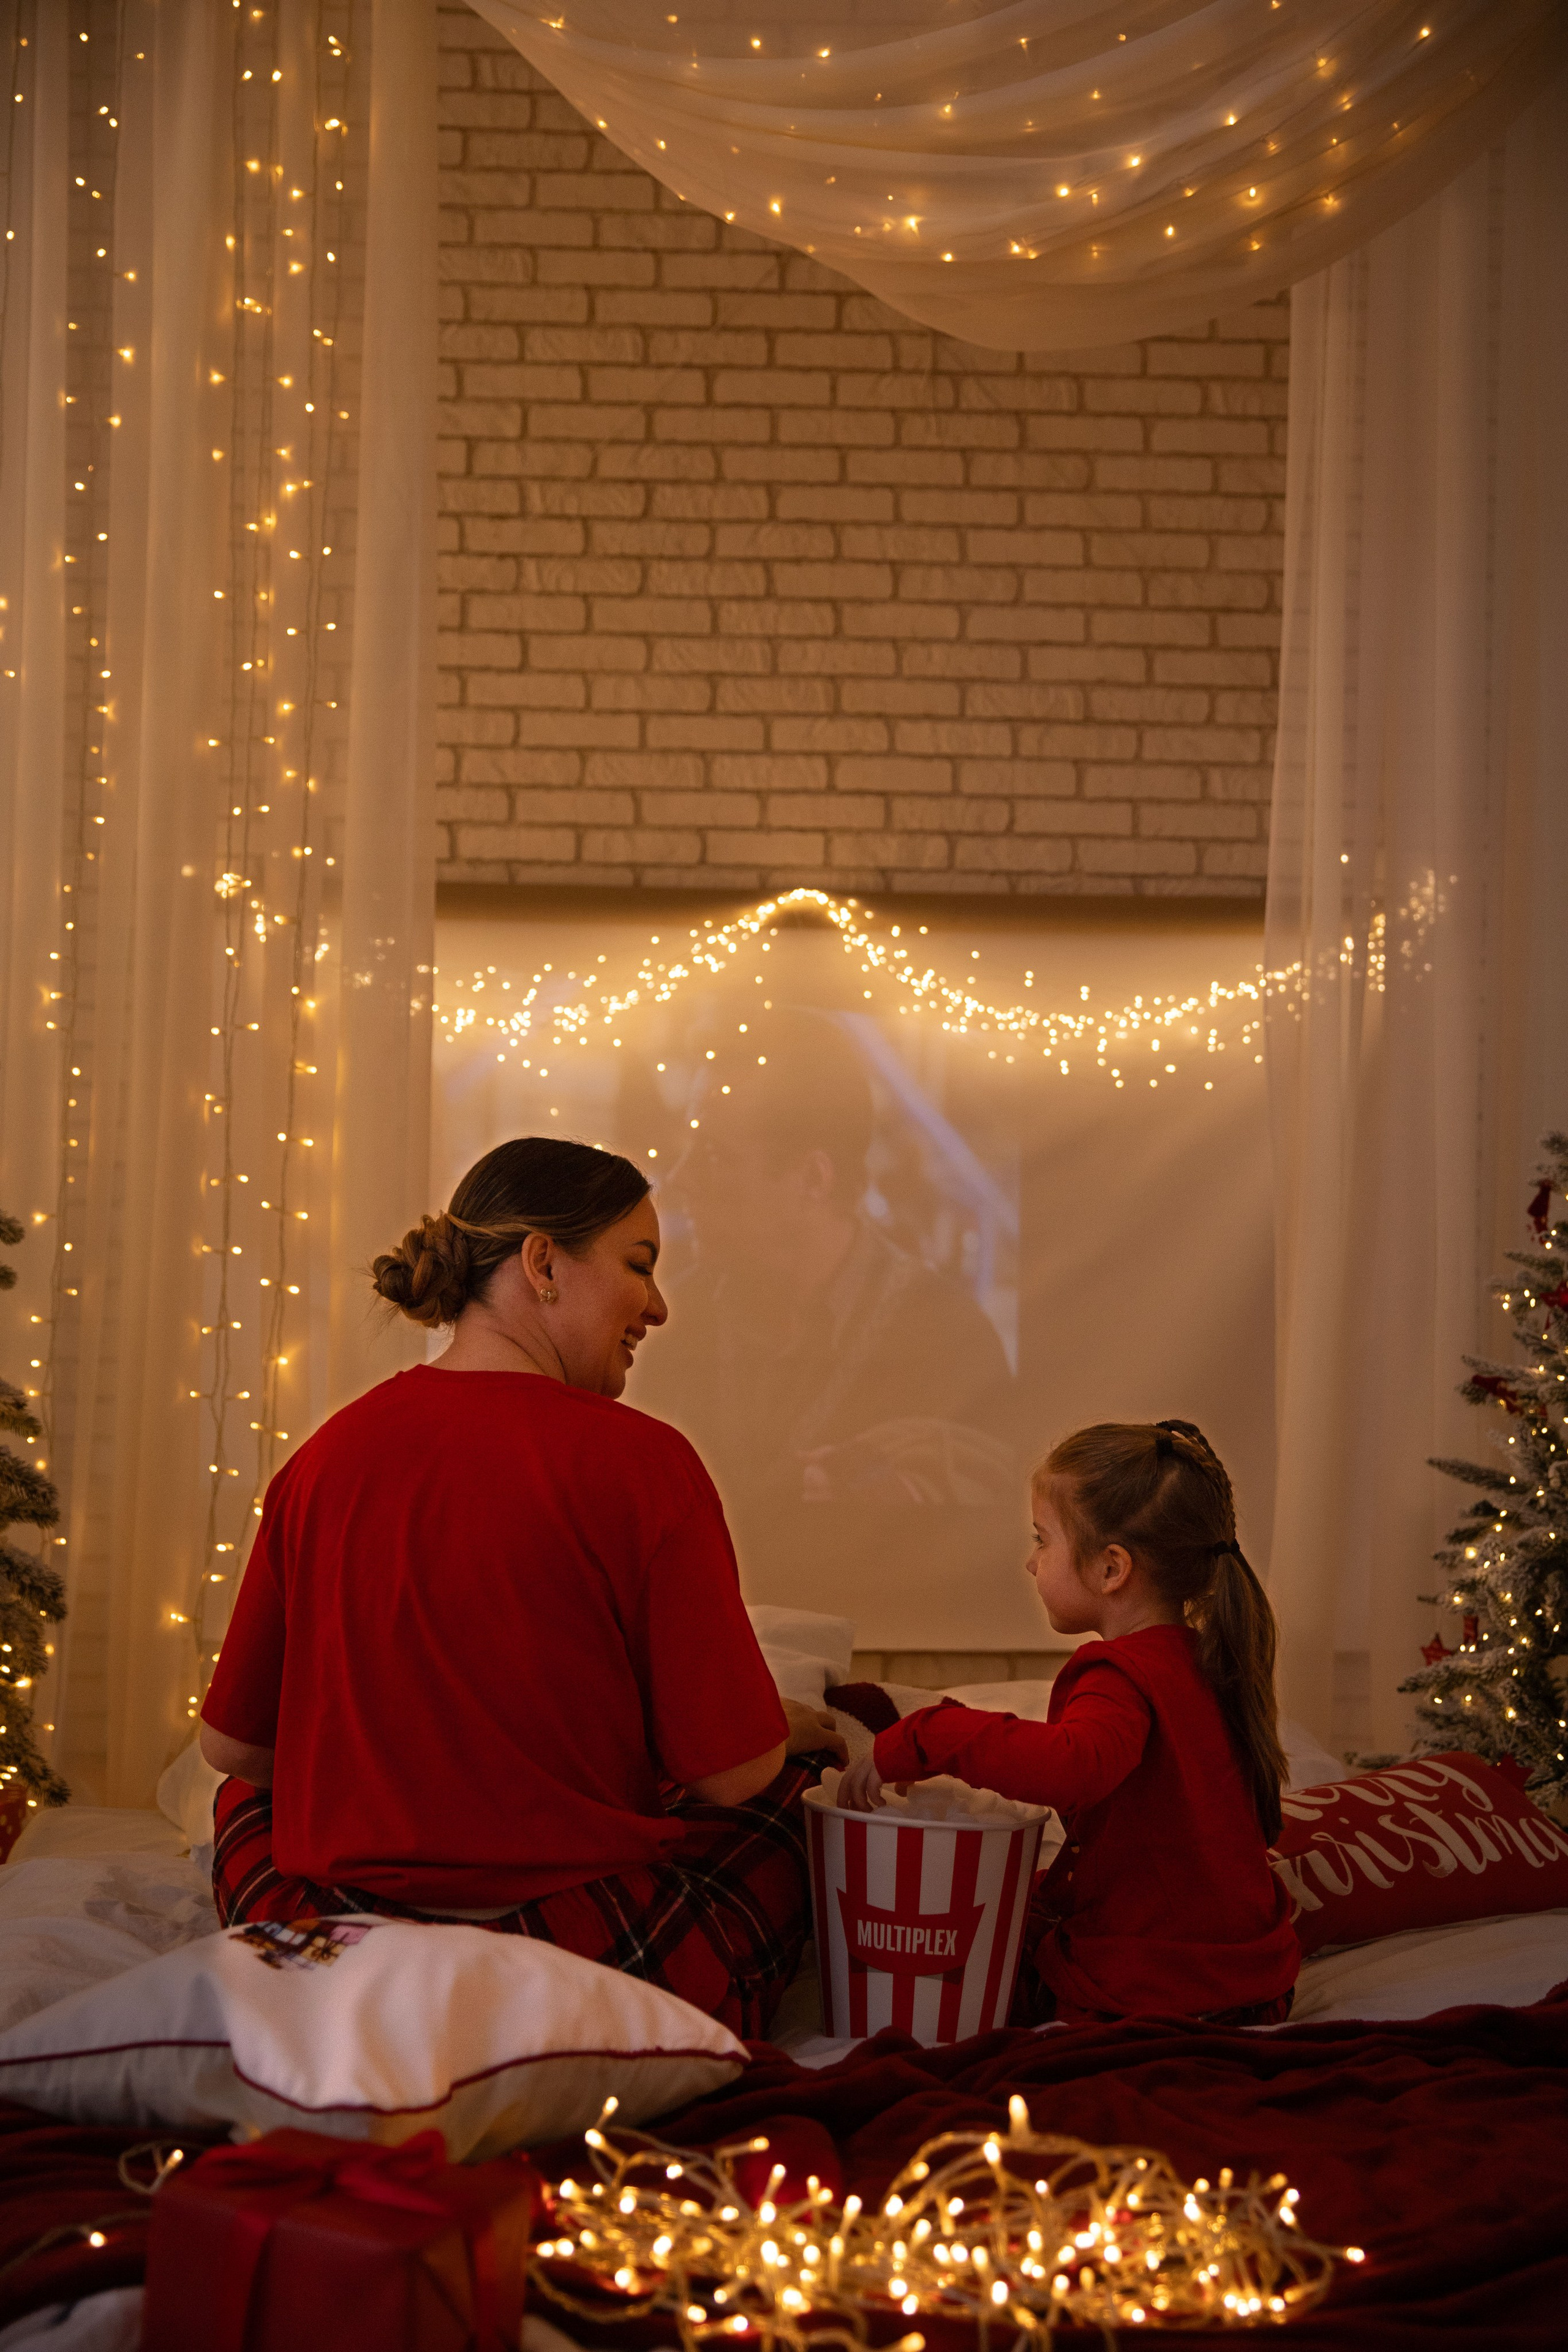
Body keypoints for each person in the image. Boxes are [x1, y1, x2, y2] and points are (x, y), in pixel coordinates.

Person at [200, 1136, 844, 2038]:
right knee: (799, 1790)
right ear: (542, 1263)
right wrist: (776, 1736)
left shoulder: (323, 1459)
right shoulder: (646, 1462)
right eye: (639, 1265)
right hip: (583, 1960)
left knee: (242, 1807)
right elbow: (733, 1776)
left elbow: (236, 1750)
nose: (657, 1307)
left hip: (341, 1946)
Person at [837, 1419, 1300, 2027]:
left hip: (1159, 1991)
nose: (1032, 1563)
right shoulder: (1209, 1658)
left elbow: (1072, 1768)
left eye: (1042, 1539)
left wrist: (930, 1734)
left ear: (1112, 1569)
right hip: (1257, 1981)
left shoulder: (1118, 1672)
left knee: (957, 1958)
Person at [632, 1009, 1016, 1515]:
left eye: (713, 1156)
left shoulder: (945, 1340)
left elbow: (986, 1554)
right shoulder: (665, 1325)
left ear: (814, 1179)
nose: (679, 1181)